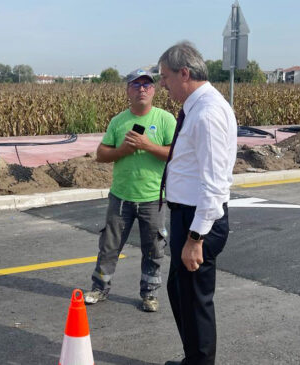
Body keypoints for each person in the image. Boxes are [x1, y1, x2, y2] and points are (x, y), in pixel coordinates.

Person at [158, 42, 237, 365]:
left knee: (194, 299)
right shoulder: (197, 108)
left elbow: (215, 183)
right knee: (181, 293)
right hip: (187, 217)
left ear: (184, 73)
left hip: (197, 222)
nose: (162, 84)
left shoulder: (207, 113)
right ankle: (195, 359)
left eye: (165, 77)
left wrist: (195, 238)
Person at [83, 67, 176, 312]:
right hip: (121, 197)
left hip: (153, 198)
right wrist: (122, 151)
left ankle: (149, 294)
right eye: (136, 85)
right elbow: (101, 154)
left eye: (147, 85)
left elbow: (175, 154)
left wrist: (147, 145)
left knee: (154, 248)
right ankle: (99, 288)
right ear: (128, 90)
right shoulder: (119, 121)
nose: (142, 89)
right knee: (109, 246)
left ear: (154, 90)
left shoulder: (165, 120)